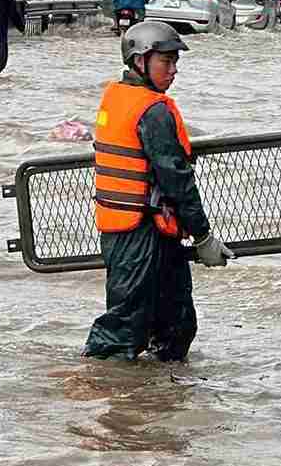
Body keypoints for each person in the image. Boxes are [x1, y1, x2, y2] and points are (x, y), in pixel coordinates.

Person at [83, 20, 235, 363]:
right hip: (138, 236)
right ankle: (98, 397)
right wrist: (203, 237)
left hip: (152, 231)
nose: (173, 70)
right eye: (166, 62)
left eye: (176, 63)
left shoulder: (119, 96)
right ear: (140, 61)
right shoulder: (152, 111)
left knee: (177, 325)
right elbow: (177, 179)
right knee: (122, 330)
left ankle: (160, 401)